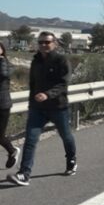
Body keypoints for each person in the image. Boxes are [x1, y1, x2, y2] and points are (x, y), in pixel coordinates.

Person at [7, 32, 77, 186]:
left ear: (55, 44)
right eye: (41, 42)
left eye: (47, 42)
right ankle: (24, 174)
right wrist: (32, 103)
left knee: (66, 136)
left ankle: (71, 159)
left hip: (58, 107)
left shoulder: (61, 60)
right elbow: (33, 84)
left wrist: (47, 94)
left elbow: (63, 83)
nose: (44, 45)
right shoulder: (36, 61)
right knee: (30, 140)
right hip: (37, 109)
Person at [0, 43, 20, 170]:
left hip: (2, 105)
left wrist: (0, 59)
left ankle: (12, 151)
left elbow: (3, 75)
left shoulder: (5, 64)